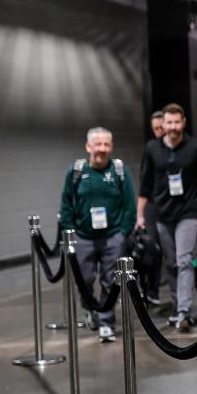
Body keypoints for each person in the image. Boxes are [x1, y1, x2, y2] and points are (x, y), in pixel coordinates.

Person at [135, 103, 197, 332]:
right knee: (171, 263)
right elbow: (145, 184)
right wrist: (140, 215)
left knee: (184, 260)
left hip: (188, 213)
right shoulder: (152, 148)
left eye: (176, 122)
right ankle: (177, 306)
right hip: (162, 215)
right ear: (163, 124)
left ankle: (184, 311)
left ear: (183, 123)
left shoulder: (196, 147)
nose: (172, 127)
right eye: (168, 123)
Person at [59, 127, 135, 342]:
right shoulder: (76, 171)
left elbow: (129, 204)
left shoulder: (119, 170)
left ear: (111, 146)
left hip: (112, 236)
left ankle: (106, 322)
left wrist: (123, 233)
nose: (102, 149)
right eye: (97, 144)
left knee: (110, 281)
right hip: (83, 236)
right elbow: (66, 203)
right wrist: (69, 230)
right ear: (88, 146)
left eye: (106, 144)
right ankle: (92, 308)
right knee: (84, 279)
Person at [138, 110, 166, 305]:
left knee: (166, 252)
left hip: (171, 207)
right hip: (153, 205)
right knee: (152, 248)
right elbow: (144, 180)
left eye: (161, 128)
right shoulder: (151, 148)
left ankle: (154, 290)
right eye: (155, 129)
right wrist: (140, 211)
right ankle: (149, 290)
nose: (158, 131)